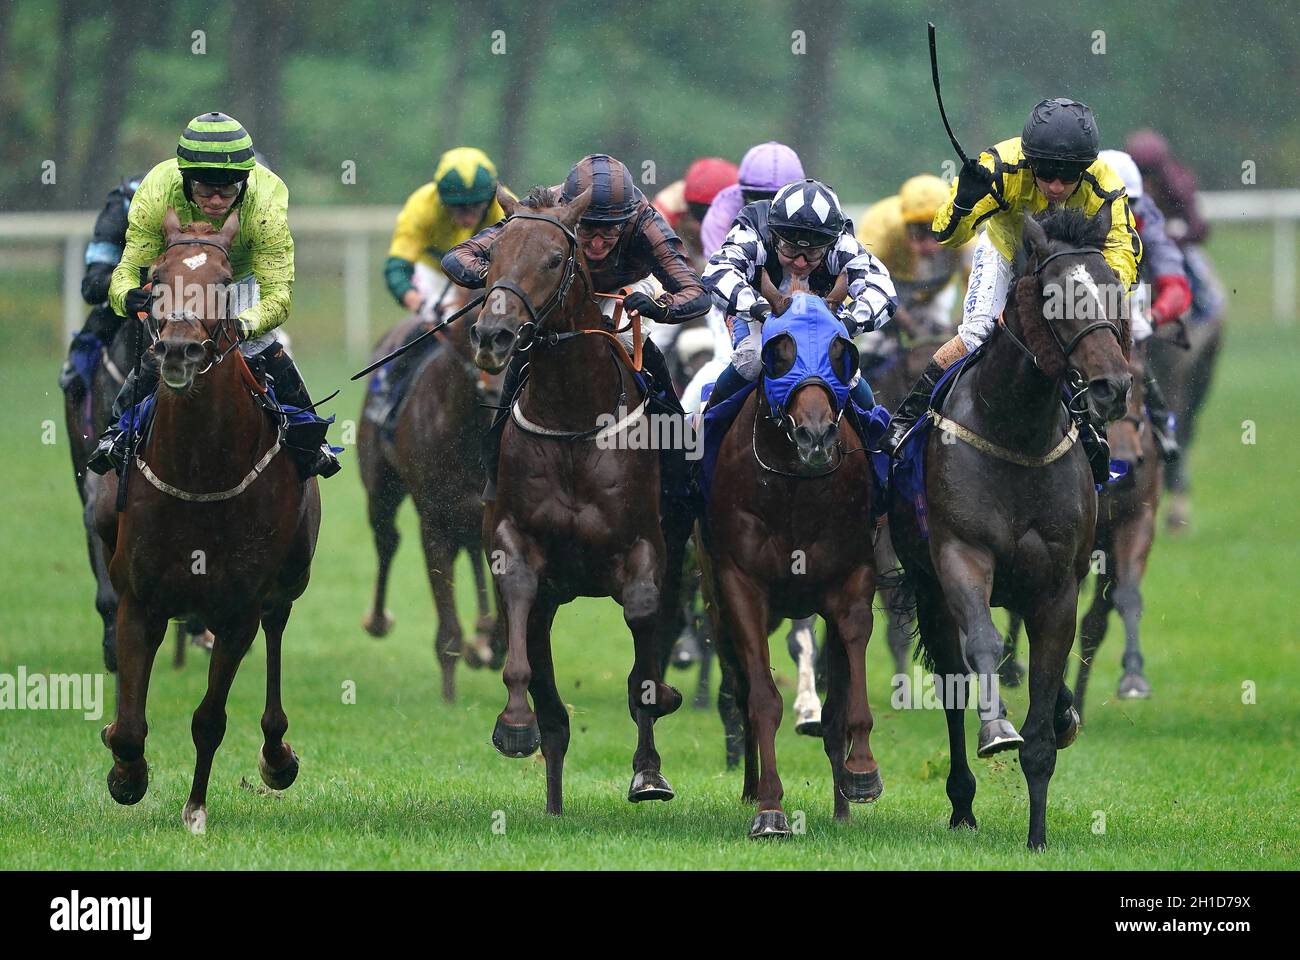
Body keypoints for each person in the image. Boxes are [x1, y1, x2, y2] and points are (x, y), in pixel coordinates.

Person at [880, 98, 1143, 484]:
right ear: (1029, 161)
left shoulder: (1105, 185)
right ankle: (908, 419)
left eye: (1067, 177)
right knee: (975, 333)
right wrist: (962, 202)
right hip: (1008, 251)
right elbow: (947, 235)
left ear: (1085, 170)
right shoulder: (999, 165)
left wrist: (1094, 299)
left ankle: (1091, 435)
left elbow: (1123, 253)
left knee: (1081, 339)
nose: (1055, 186)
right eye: (1046, 174)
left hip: (1070, 266)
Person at [442, 153, 711, 503]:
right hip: (558, 290)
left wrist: (661, 307)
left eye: (610, 231)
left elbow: (695, 292)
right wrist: (502, 280)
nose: (597, 244)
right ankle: (496, 472)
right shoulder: (544, 211)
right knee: (523, 360)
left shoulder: (644, 220)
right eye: (587, 229)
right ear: (572, 214)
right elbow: (458, 255)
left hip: (623, 292)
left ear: (626, 219)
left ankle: (677, 480)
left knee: (646, 356)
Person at [87, 111, 338, 478]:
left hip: (239, 279)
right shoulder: (157, 189)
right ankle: (118, 432)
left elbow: (279, 297)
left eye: (229, 189)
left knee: (261, 344)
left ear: (245, 182)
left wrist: (241, 323)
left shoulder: (266, 201)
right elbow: (125, 272)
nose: (218, 200)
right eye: (206, 189)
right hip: (180, 274)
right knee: (163, 342)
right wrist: (128, 297)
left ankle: (309, 436)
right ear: (185, 180)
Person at [701, 178, 897, 416]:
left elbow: (881, 289)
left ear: (829, 243)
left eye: (813, 252)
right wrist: (759, 309)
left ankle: (876, 440)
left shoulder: (841, 244)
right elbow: (717, 272)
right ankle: (707, 426)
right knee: (752, 358)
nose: (800, 262)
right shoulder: (752, 232)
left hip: (821, 317)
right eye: (791, 249)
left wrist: (848, 323)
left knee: (849, 373)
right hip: (758, 312)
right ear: (774, 235)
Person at [369, 147, 513, 424]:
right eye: (458, 208)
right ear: (441, 198)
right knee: (430, 325)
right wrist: (419, 303)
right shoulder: (422, 204)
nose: (468, 217)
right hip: (435, 271)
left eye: (475, 207)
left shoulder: (504, 205)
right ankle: (386, 392)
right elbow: (397, 267)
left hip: (484, 275)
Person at [1098, 148, 1189, 463]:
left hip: (1132, 310)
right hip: (1075, 309)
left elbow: (1176, 286)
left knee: (1136, 363)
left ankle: (1162, 425)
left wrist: (1153, 317)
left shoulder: (1147, 219)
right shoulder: (1070, 212)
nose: (1123, 214)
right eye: (1113, 205)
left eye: (1129, 205)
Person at [856, 174, 973, 374]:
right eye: (918, 232)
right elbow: (860, 283)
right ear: (903, 225)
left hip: (933, 295)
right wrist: (905, 323)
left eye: (936, 231)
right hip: (887, 292)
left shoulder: (965, 238)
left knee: (938, 342)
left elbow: (977, 293)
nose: (928, 244)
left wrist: (955, 328)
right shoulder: (881, 231)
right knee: (873, 349)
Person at [57, 174, 145, 400]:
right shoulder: (126, 202)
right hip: (132, 308)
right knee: (77, 370)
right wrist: (132, 287)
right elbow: (93, 285)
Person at [1125, 128, 1223, 324]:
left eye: (1150, 174)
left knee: (1195, 269)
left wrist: (1173, 237)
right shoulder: (1123, 181)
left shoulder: (1178, 185)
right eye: (1140, 173)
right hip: (1133, 247)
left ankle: (1205, 310)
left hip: (1173, 248)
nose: (1145, 183)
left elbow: (1200, 228)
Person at [699, 142, 804, 259]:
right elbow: (716, 263)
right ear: (742, 192)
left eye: (776, 199)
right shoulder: (723, 208)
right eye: (757, 197)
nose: (765, 209)